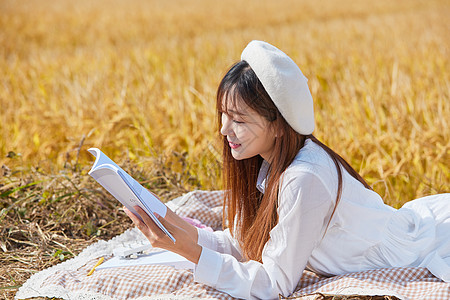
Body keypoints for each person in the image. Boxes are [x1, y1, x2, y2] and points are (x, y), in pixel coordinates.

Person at [124, 40, 450, 299]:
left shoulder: (303, 178)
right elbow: (245, 243)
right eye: (223, 114)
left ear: (279, 125)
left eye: (239, 120)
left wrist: (188, 250)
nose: (224, 130)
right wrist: (173, 225)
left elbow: (275, 284)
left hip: (426, 247)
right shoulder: (268, 162)